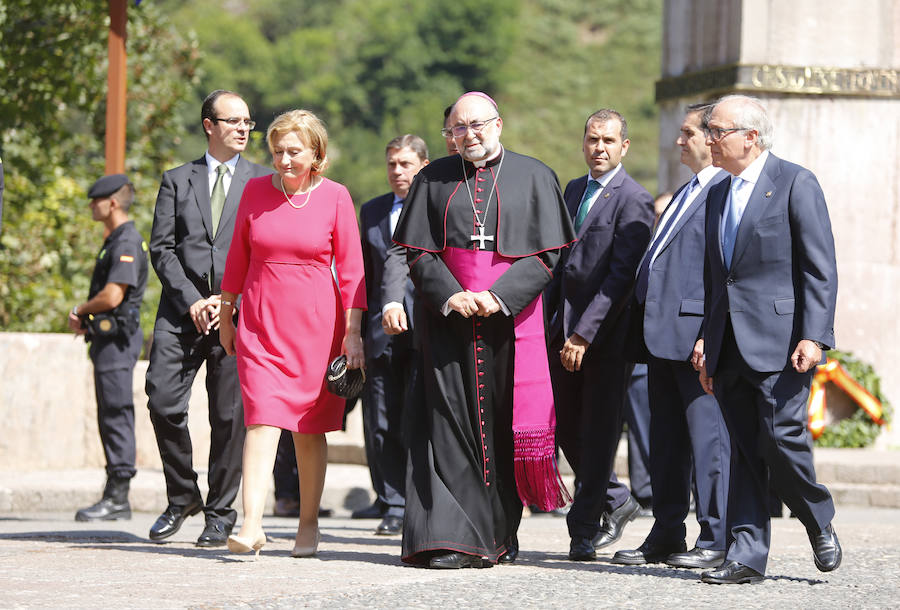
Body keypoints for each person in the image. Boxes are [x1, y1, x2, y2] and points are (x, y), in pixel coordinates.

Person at [393, 91, 575, 568]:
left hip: (510, 325)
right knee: (447, 428)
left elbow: (547, 254)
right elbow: (418, 252)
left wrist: (498, 296)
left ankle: (498, 533)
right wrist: (450, 294)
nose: (468, 135)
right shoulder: (432, 179)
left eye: (476, 125)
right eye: (457, 128)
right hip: (448, 321)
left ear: (499, 124)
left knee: (500, 427)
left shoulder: (535, 176)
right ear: (448, 135)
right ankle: (454, 538)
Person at [694, 94, 841, 584]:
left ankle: (816, 517)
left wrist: (815, 336)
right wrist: (706, 344)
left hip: (782, 343)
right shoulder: (716, 192)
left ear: (750, 137)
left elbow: (819, 268)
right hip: (728, 341)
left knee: (781, 439)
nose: (709, 140)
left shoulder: (795, 182)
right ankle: (746, 555)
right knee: (740, 448)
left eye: (717, 131)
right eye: (709, 131)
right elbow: (717, 279)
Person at [219, 109, 366, 558]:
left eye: (294, 151)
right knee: (261, 419)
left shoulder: (337, 197)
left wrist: (353, 331)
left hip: (317, 328)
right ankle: (251, 525)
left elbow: (352, 271)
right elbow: (238, 258)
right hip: (261, 322)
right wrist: (228, 315)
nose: (283, 159)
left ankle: (307, 523)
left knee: (307, 428)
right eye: (278, 150)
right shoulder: (254, 191)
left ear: (316, 153)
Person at [146, 90, 272, 547]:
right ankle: (182, 497)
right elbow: (161, 248)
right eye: (232, 121)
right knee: (161, 402)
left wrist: (229, 300)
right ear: (208, 125)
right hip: (181, 316)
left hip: (236, 316)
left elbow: (267, 249)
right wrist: (193, 300)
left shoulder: (264, 182)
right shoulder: (177, 180)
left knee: (229, 416)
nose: (243, 129)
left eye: (247, 122)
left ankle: (220, 513)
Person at [612, 103, 731, 569]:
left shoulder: (724, 192)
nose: (678, 141)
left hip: (696, 341)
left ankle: (716, 538)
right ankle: (666, 533)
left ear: (711, 137)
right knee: (666, 444)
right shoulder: (687, 191)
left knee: (708, 442)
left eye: (687, 133)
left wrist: (709, 334)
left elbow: (725, 272)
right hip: (660, 340)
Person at [544, 109, 655, 561]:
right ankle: (616, 498)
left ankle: (584, 529)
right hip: (560, 331)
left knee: (599, 432)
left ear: (624, 146)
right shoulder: (573, 189)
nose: (599, 148)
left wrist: (585, 335)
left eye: (609, 140)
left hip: (603, 341)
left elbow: (620, 278)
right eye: (592, 139)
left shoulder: (636, 200)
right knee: (564, 427)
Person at [354, 135, 429, 535]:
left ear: (423, 165)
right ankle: (392, 501)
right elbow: (362, 274)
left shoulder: (438, 208)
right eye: (392, 165)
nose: (397, 172)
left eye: (405, 164)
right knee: (379, 421)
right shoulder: (372, 211)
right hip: (380, 334)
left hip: (425, 331)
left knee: (415, 419)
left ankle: (416, 500)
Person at [68, 174, 148, 522]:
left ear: (112, 202)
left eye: (96, 200)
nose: (91, 206)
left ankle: (118, 496)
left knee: (116, 414)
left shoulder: (125, 241)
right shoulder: (116, 239)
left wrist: (80, 310)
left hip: (117, 342)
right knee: (110, 413)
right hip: (109, 341)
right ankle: (115, 494)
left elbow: (113, 295)